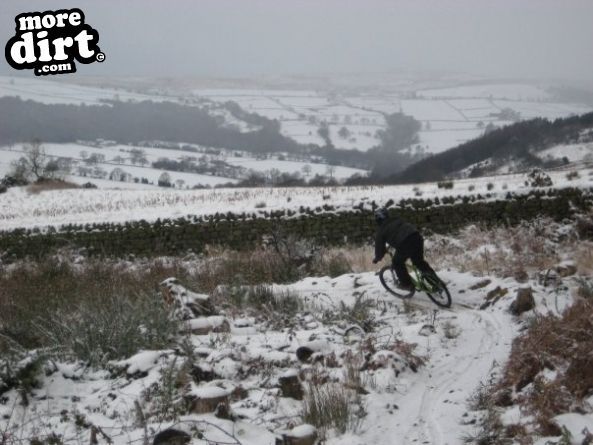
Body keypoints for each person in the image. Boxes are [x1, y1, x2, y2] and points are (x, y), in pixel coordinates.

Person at [372, 208, 436, 292]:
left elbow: (379, 247)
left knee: (397, 262)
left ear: (378, 219)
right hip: (417, 237)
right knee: (419, 262)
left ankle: (406, 284)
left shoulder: (381, 230)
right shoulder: (397, 219)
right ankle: (436, 282)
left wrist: (377, 258)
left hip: (405, 243)